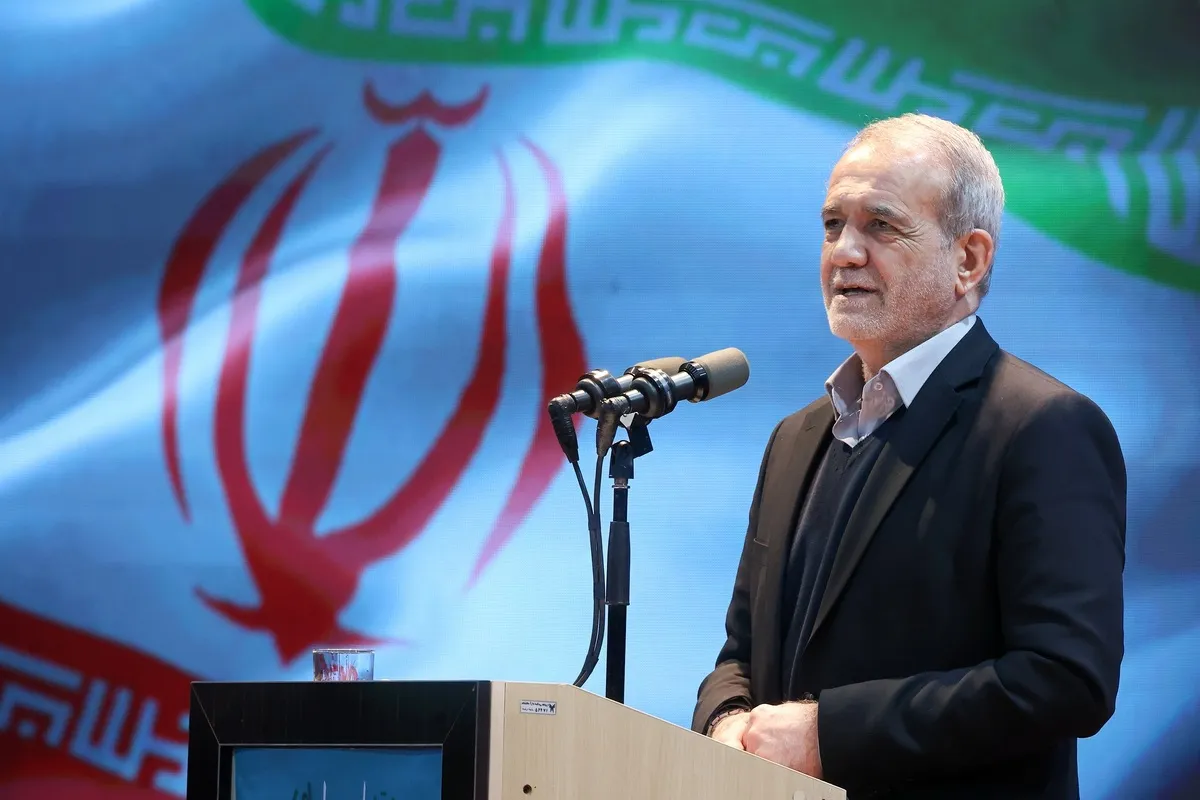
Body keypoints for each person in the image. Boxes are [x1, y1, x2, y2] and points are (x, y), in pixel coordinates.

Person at [691, 113, 1126, 799]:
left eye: (881, 226)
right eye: (833, 224)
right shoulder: (794, 438)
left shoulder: (1043, 427)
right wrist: (726, 722)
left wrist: (829, 734)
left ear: (968, 260)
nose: (844, 252)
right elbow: (740, 654)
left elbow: (1066, 678)